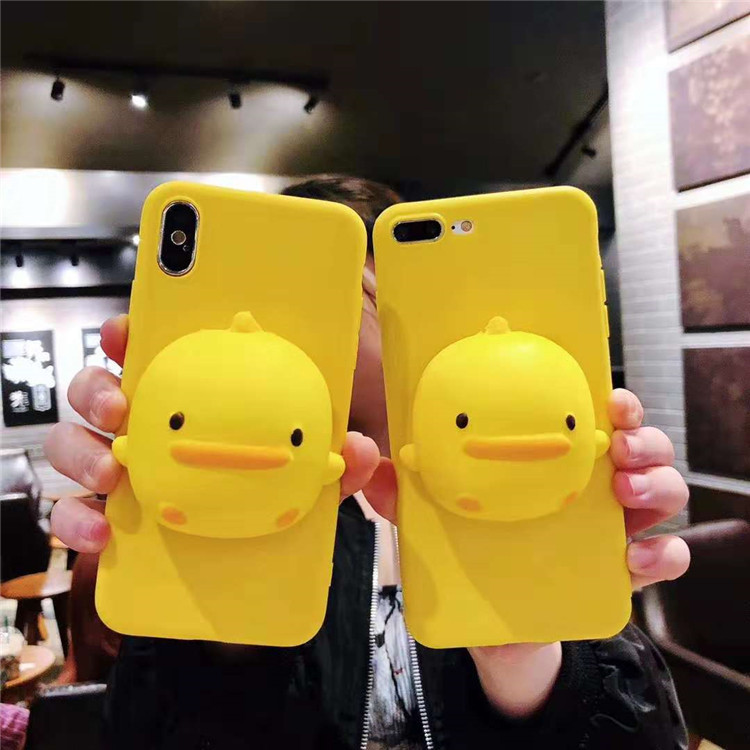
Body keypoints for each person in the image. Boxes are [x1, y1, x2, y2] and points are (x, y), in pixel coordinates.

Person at [45, 176, 690, 749]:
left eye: (350, 292)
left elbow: (646, 734)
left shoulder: (520, 461)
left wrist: (524, 658)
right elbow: (143, 728)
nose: (313, 329)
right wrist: (215, 621)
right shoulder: (208, 481)